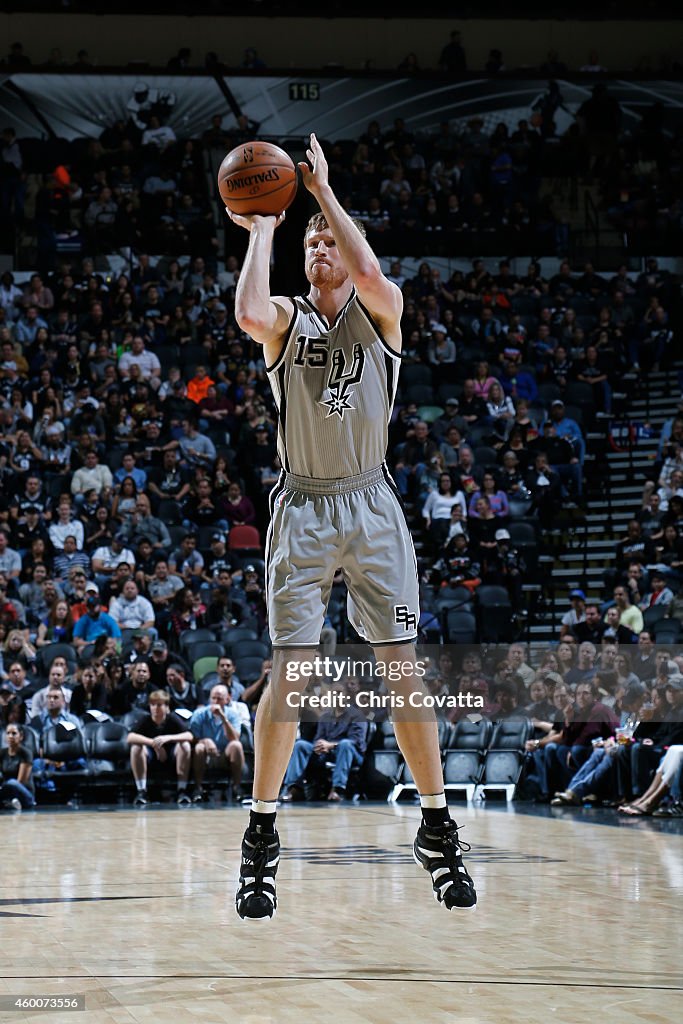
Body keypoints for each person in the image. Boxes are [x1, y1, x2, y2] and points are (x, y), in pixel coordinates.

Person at [226, 131, 476, 921]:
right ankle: (261, 841)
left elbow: (371, 271)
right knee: (290, 675)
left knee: (402, 668)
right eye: (313, 243)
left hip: (370, 505)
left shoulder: (382, 314)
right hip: (302, 506)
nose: (323, 249)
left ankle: (435, 829)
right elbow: (245, 310)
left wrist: (324, 195)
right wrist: (267, 227)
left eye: (329, 239)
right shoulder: (286, 323)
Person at [126, 689, 194, 806]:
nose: (155, 708)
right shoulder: (145, 719)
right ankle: (141, 791)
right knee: (136, 747)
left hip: (171, 757)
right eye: (152, 704)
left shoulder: (172, 719)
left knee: (185, 745)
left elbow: (189, 735)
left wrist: (168, 738)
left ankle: (181, 790)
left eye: (159, 705)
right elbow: (130, 737)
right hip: (151, 757)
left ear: (166, 707)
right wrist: (154, 743)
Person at [189, 683, 245, 802]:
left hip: (225, 754)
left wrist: (224, 718)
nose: (215, 702)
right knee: (199, 747)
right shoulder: (199, 714)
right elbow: (192, 737)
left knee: (237, 745)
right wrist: (205, 741)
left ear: (227, 699)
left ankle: (236, 787)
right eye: (213, 698)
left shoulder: (233, 714)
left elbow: (235, 738)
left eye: (219, 698)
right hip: (206, 755)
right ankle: (198, 788)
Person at [0, 723, 35, 810]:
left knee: (12, 782)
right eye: (8, 733)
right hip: (7, 791)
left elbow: (20, 782)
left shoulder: (26, 753)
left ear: (21, 736)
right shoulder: (2, 753)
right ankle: (10, 803)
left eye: (14, 733)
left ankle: (10, 802)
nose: (10, 736)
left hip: (25, 795)